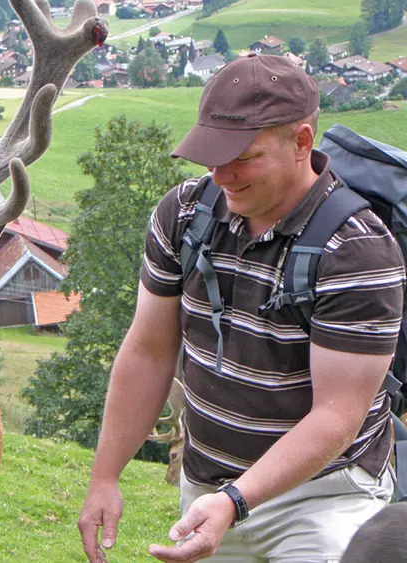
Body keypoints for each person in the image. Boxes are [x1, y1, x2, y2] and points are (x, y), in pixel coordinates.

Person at [77, 54, 405, 563]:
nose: (221, 174)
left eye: (243, 157)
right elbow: (148, 352)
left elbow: (337, 417)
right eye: (212, 154)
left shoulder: (357, 250)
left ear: (301, 142)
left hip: (322, 499)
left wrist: (236, 500)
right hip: (207, 490)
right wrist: (104, 477)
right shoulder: (185, 214)